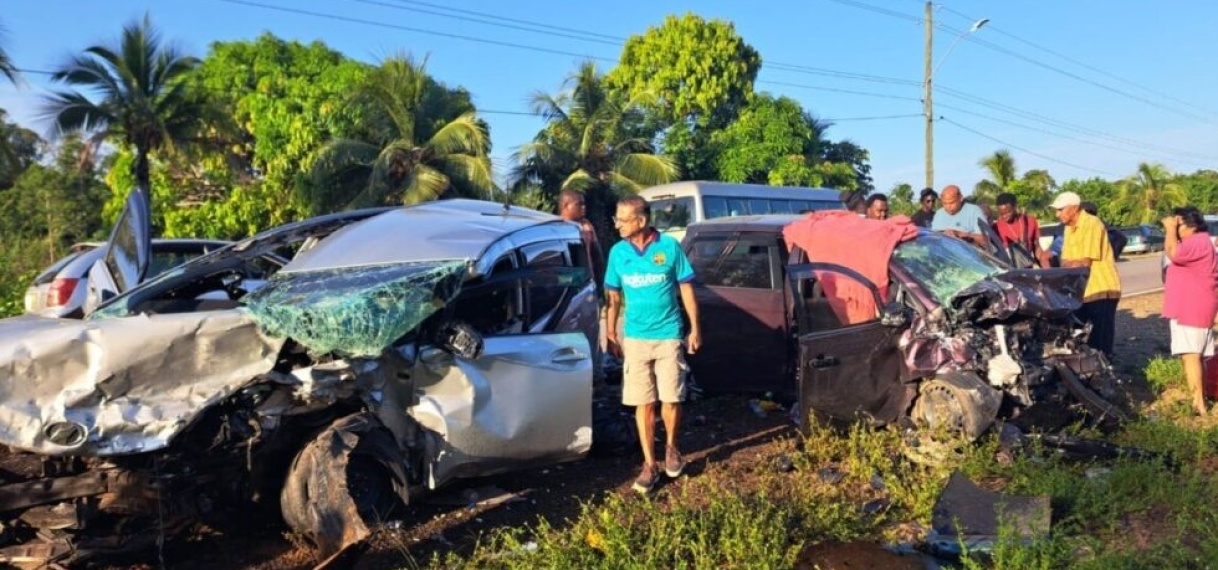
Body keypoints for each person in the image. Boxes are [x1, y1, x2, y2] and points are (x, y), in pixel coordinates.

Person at [604, 195, 701, 494]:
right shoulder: (618, 253)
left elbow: (686, 289)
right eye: (616, 219)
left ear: (641, 221)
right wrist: (610, 334)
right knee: (643, 402)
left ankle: (671, 447)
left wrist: (695, 328)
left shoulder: (669, 247)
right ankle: (649, 464)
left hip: (669, 334)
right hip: (635, 338)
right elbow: (614, 297)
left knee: (671, 397)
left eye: (623, 219)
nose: (617, 224)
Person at [1161, 207, 1218, 415]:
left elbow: (1173, 254)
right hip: (1191, 306)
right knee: (1194, 356)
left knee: (1191, 356)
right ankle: (1199, 399)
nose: (1175, 229)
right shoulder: (1200, 242)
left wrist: (1169, 229)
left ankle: (1198, 404)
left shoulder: (1196, 242)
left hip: (1191, 308)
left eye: (1178, 225)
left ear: (1189, 225)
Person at [1052, 191, 1122, 356]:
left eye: (1060, 209)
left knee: (1100, 335)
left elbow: (1083, 262)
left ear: (1074, 208)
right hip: (1082, 291)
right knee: (1078, 334)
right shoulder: (1068, 228)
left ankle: (1105, 369)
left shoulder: (1091, 223)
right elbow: (1065, 261)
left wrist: (1069, 263)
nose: (1057, 214)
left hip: (1100, 289)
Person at [558, 189, 605, 288]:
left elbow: (597, 258)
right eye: (579, 204)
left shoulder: (585, 227)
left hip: (588, 284)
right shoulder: (556, 229)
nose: (584, 208)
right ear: (566, 206)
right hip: (568, 285)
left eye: (584, 204)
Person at [992, 192, 1046, 265]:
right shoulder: (995, 227)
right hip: (1009, 268)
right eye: (1001, 214)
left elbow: (1037, 246)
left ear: (1015, 207)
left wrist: (1043, 264)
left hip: (1028, 266)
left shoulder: (1030, 221)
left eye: (1008, 212)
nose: (1004, 216)